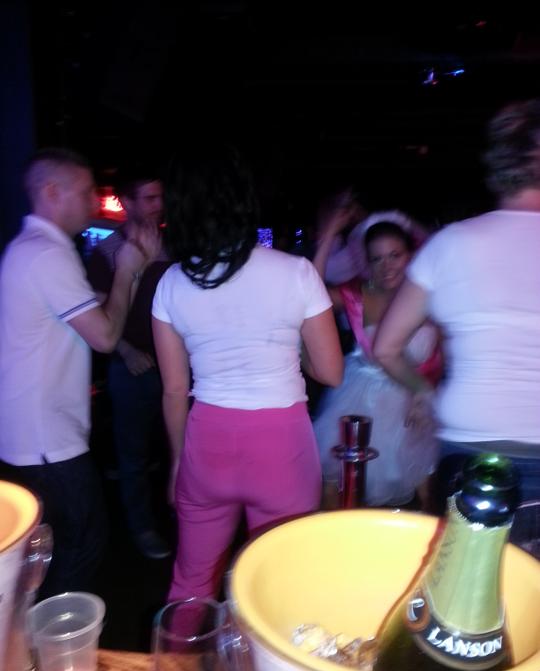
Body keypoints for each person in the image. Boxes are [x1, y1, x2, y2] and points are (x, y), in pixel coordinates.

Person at [151, 141, 343, 601]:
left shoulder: (171, 282)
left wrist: (178, 462)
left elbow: (175, 389)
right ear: (243, 198)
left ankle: (179, 649)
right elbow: (331, 372)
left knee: (191, 581)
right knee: (279, 586)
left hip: (207, 440)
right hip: (281, 444)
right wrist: (290, 346)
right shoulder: (296, 272)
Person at [0, 148, 160, 598]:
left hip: (32, 433)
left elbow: (84, 313)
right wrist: (127, 269)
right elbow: (105, 337)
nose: (94, 201)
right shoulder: (46, 254)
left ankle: (32, 633)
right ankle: (48, 639)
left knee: (45, 556)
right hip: (46, 439)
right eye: (87, 191)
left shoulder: (32, 249)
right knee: (81, 546)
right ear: (53, 192)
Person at [373, 98, 540, 512]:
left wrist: (424, 391)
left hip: (470, 438)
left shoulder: (450, 244)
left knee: (465, 556)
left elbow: (386, 348)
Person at [313, 212, 440, 508]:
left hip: (416, 401)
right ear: (366, 263)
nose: (387, 266)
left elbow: (442, 356)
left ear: (411, 255)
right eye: (377, 259)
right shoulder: (356, 296)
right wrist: (329, 234)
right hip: (360, 399)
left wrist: (425, 395)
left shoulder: (431, 297)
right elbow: (309, 291)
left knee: (427, 495)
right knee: (336, 488)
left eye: (395, 255)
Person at [87, 165, 171, 560]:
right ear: (127, 202)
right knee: (133, 456)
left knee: (176, 447)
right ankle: (141, 528)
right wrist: (125, 350)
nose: (158, 205)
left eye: (160, 196)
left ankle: (181, 520)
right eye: (150, 198)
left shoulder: (173, 246)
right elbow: (98, 315)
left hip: (174, 366)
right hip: (131, 368)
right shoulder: (106, 252)